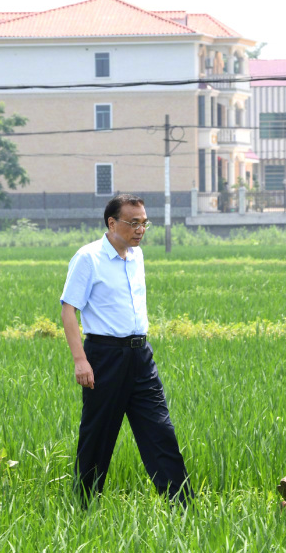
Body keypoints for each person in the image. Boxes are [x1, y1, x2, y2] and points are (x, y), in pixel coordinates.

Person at [60, 194, 192, 507]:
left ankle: (182, 506)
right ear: (111, 223)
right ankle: (85, 506)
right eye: (133, 223)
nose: (140, 229)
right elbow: (68, 310)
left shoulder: (137, 256)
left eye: (144, 223)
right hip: (104, 356)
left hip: (140, 355)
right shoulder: (88, 258)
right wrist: (81, 360)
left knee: (160, 430)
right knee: (98, 435)